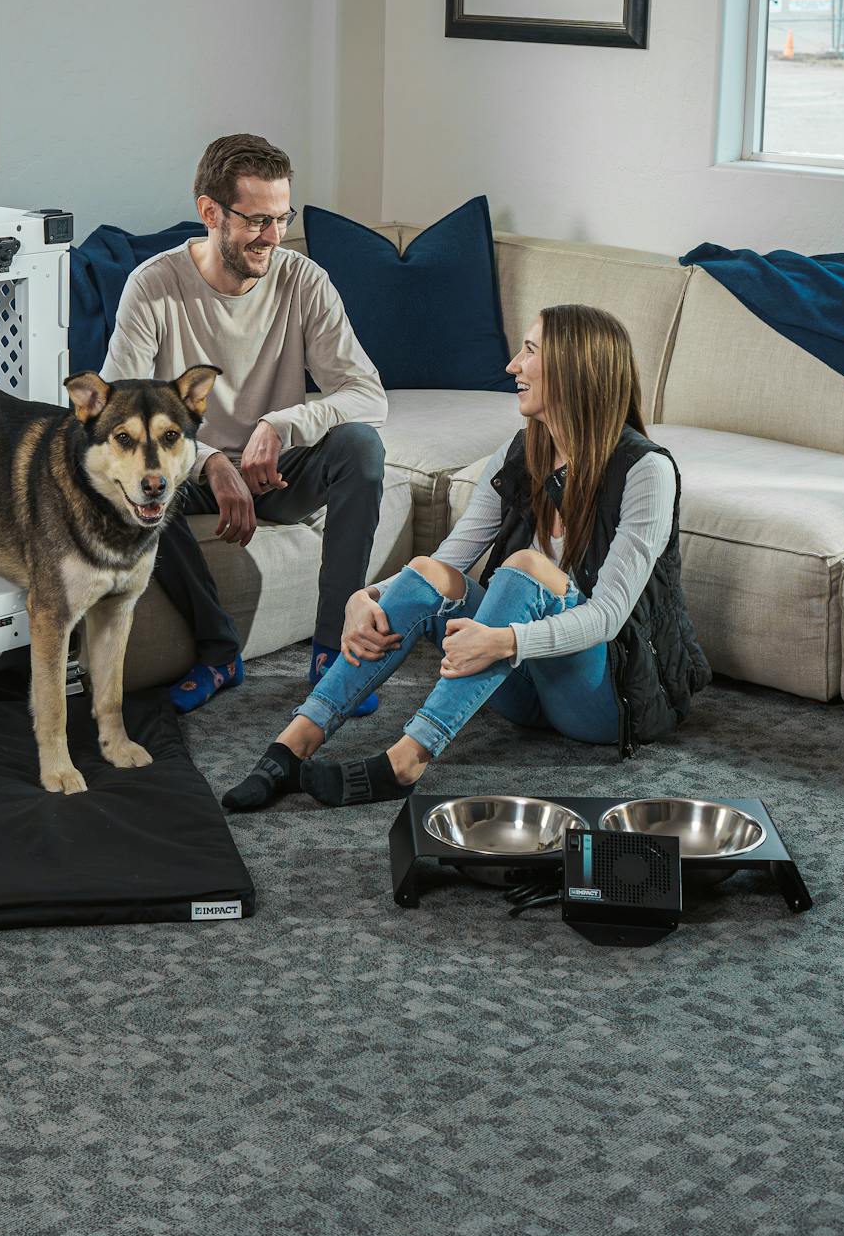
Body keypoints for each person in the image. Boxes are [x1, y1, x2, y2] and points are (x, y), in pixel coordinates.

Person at [222, 304, 709, 812]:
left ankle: (407, 759)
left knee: (525, 568)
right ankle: (291, 747)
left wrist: (505, 638)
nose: (512, 366)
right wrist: (364, 597)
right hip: (520, 682)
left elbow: (608, 618)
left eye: (530, 351)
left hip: (605, 698)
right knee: (428, 571)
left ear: (574, 365)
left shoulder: (646, 470)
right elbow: (446, 563)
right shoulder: (522, 452)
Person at [101, 134, 391, 713]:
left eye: (282, 219)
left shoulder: (303, 280)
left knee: (361, 448)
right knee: (137, 485)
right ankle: (219, 654)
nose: (273, 238)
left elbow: (368, 395)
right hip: (193, 478)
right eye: (257, 221)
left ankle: (335, 651)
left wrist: (284, 423)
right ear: (210, 212)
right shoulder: (154, 287)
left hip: (275, 472)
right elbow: (119, 412)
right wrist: (205, 457)